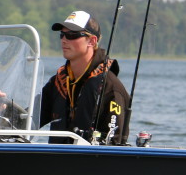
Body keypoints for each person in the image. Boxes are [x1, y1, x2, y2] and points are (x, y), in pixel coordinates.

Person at [39, 9, 130, 144]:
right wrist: (1, 109)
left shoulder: (111, 87)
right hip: (57, 160)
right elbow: (31, 117)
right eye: (62, 35)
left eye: (72, 35)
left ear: (92, 41)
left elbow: (114, 143)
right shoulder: (59, 82)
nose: (64, 40)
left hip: (91, 162)